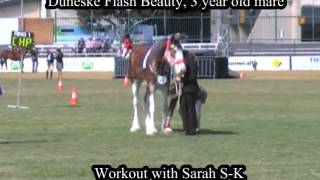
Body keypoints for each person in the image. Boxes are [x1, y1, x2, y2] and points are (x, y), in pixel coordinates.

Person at [178, 54, 199, 135]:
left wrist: (182, 79)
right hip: (188, 89)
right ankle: (188, 128)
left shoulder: (190, 64)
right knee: (186, 109)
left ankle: (190, 128)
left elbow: (192, 77)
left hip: (189, 89)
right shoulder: (192, 63)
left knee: (188, 109)